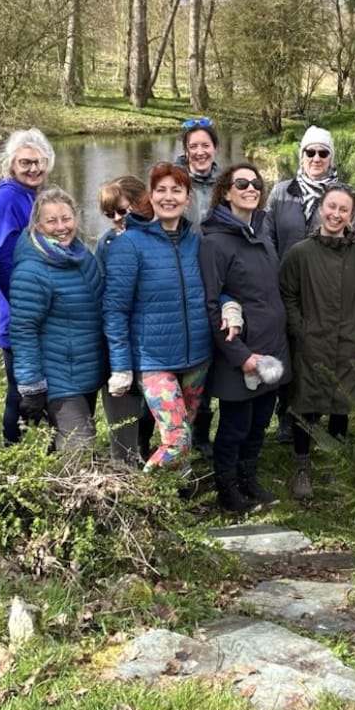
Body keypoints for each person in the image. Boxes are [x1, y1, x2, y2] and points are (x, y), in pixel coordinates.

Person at [103, 162, 212, 471]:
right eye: (161, 190)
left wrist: (230, 307)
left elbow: (216, 288)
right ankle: (144, 497)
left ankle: (175, 493)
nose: (168, 197)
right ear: (150, 197)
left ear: (187, 198)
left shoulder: (196, 242)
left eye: (176, 190)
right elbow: (115, 309)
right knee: (176, 441)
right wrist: (122, 366)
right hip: (153, 360)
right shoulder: (129, 245)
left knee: (184, 436)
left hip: (197, 359)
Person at [199, 163, 292, 513]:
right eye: (242, 183)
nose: (251, 188)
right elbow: (211, 305)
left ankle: (249, 479)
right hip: (242, 354)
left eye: (256, 183)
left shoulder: (261, 234)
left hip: (272, 349)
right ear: (226, 191)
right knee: (235, 426)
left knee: (259, 423)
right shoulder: (214, 243)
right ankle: (227, 490)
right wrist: (241, 356)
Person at [278, 184, 355, 500]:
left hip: (347, 344)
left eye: (343, 210)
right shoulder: (300, 253)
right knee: (304, 405)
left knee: (342, 405)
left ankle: (337, 464)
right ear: (321, 209)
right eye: (331, 207)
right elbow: (287, 294)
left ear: (351, 216)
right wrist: (300, 329)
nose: (336, 214)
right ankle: (302, 466)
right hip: (310, 343)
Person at [264, 125, 355, 444]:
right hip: (288, 289)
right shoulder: (281, 192)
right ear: (301, 155)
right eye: (310, 152)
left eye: (323, 152)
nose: (316, 158)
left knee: (327, 355)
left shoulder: (345, 194)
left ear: (331, 157)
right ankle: (287, 419)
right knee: (291, 353)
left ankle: (321, 416)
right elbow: (268, 238)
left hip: (330, 292)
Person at [7, 187, 105, 454]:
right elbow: (24, 329)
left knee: (71, 444)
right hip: (59, 377)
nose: (61, 227)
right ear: (38, 224)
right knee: (80, 448)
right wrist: (32, 386)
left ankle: (53, 490)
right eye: (51, 221)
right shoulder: (32, 270)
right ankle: (70, 494)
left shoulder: (81, 256)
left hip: (86, 371)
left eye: (66, 218)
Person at [0, 128, 55, 445]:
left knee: (39, 384)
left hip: (39, 312)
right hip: (18, 315)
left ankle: (41, 450)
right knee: (20, 387)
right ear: (11, 164)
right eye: (25, 162)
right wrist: (26, 305)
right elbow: (2, 259)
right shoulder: (7, 198)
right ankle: (11, 448)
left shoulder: (36, 195)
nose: (33, 169)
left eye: (39, 162)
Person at [96, 175, 155, 464]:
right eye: (110, 214)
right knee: (123, 412)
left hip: (155, 340)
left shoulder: (160, 236)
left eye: (122, 210)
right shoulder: (106, 243)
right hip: (119, 340)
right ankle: (125, 465)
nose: (117, 219)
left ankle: (147, 452)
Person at [174, 118, 221, 458]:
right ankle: (172, 432)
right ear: (185, 150)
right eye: (194, 146)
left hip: (217, 274)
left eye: (206, 145)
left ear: (214, 148)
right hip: (183, 273)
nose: (200, 151)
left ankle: (203, 432)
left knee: (210, 356)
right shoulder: (173, 181)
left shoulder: (227, 182)